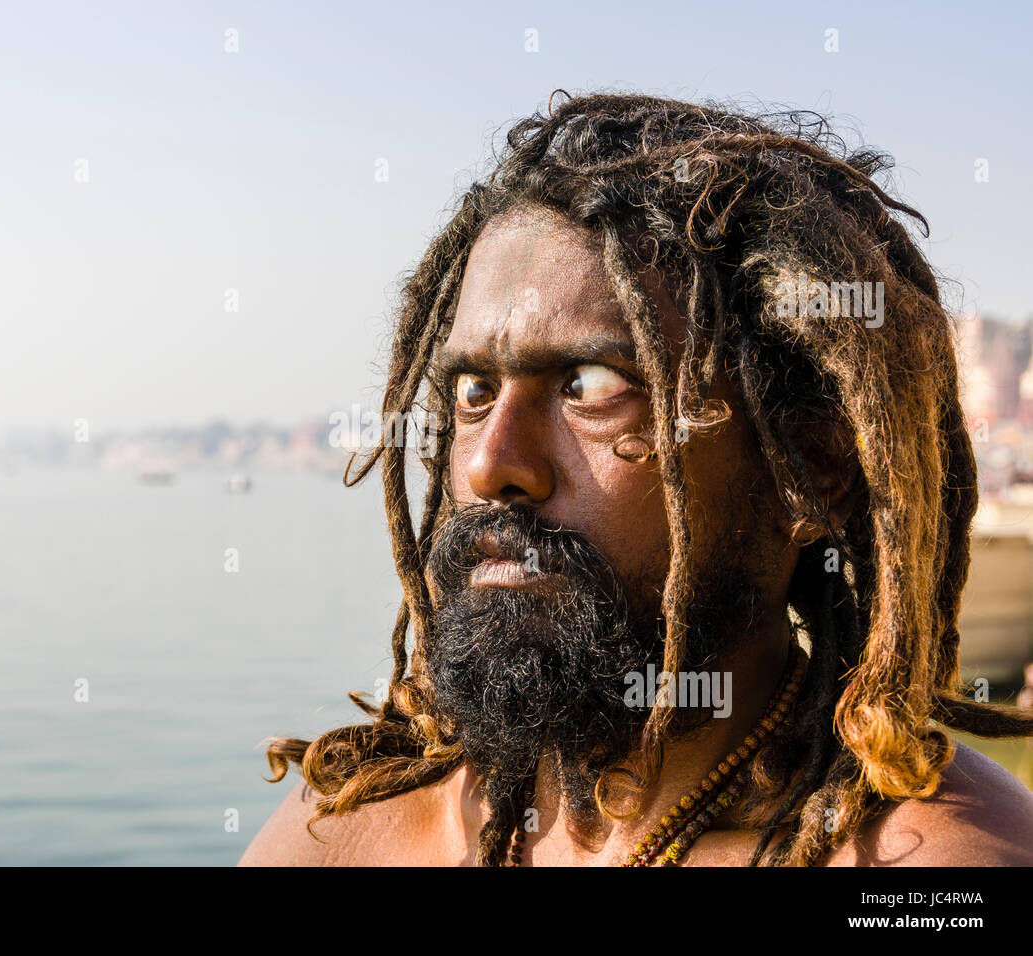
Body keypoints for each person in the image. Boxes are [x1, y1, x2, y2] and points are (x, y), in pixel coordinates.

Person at [240, 92, 1033, 866]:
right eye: (474, 391)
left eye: (589, 385)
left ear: (811, 469)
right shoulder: (346, 827)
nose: (489, 465)